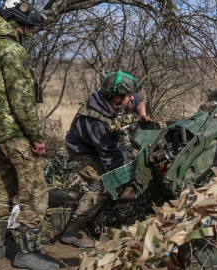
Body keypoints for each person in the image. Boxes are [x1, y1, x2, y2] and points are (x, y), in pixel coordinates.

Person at [0, 1, 59, 269]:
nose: (30, 32)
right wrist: (37, 137)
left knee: (2, 188)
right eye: (28, 26)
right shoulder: (10, 48)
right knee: (35, 192)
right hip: (14, 133)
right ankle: (28, 253)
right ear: (15, 22)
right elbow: (21, 100)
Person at [62, 70, 151, 248]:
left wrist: (142, 114)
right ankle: (72, 231)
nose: (132, 100)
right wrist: (130, 179)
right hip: (82, 153)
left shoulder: (115, 99)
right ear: (117, 99)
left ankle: (103, 211)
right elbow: (114, 164)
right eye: (129, 97)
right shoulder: (97, 122)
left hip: (102, 147)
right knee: (103, 185)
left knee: (122, 178)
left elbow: (139, 102)